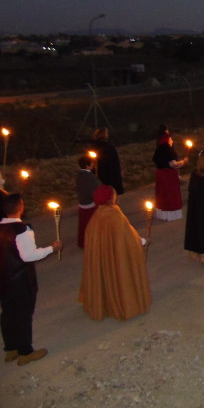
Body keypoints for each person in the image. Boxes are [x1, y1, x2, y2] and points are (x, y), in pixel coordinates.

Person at [0, 193, 61, 366]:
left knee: (8, 313)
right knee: (23, 315)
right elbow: (29, 256)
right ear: (20, 208)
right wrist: (52, 248)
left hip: (3, 280)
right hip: (20, 280)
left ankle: (10, 348)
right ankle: (25, 352)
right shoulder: (22, 230)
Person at [78, 185, 151, 322]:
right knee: (120, 278)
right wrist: (142, 241)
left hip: (104, 257)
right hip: (117, 257)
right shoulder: (115, 214)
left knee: (105, 276)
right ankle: (123, 305)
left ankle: (104, 303)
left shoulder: (96, 216)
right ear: (111, 198)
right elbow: (127, 236)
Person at [152, 127, 188, 221]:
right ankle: (172, 214)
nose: (172, 140)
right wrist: (183, 162)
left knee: (162, 195)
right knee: (170, 195)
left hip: (160, 175)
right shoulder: (168, 150)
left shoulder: (159, 149)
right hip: (169, 176)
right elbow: (173, 164)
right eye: (170, 138)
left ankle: (163, 214)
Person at [76, 154, 101, 248]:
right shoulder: (89, 177)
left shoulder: (80, 175)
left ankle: (83, 242)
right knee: (92, 223)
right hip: (90, 203)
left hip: (83, 203)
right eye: (92, 163)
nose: (93, 165)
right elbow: (95, 190)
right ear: (87, 165)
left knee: (83, 224)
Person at [91, 127, 124, 195]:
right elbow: (115, 164)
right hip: (109, 175)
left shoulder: (94, 147)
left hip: (100, 175)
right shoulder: (109, 147)